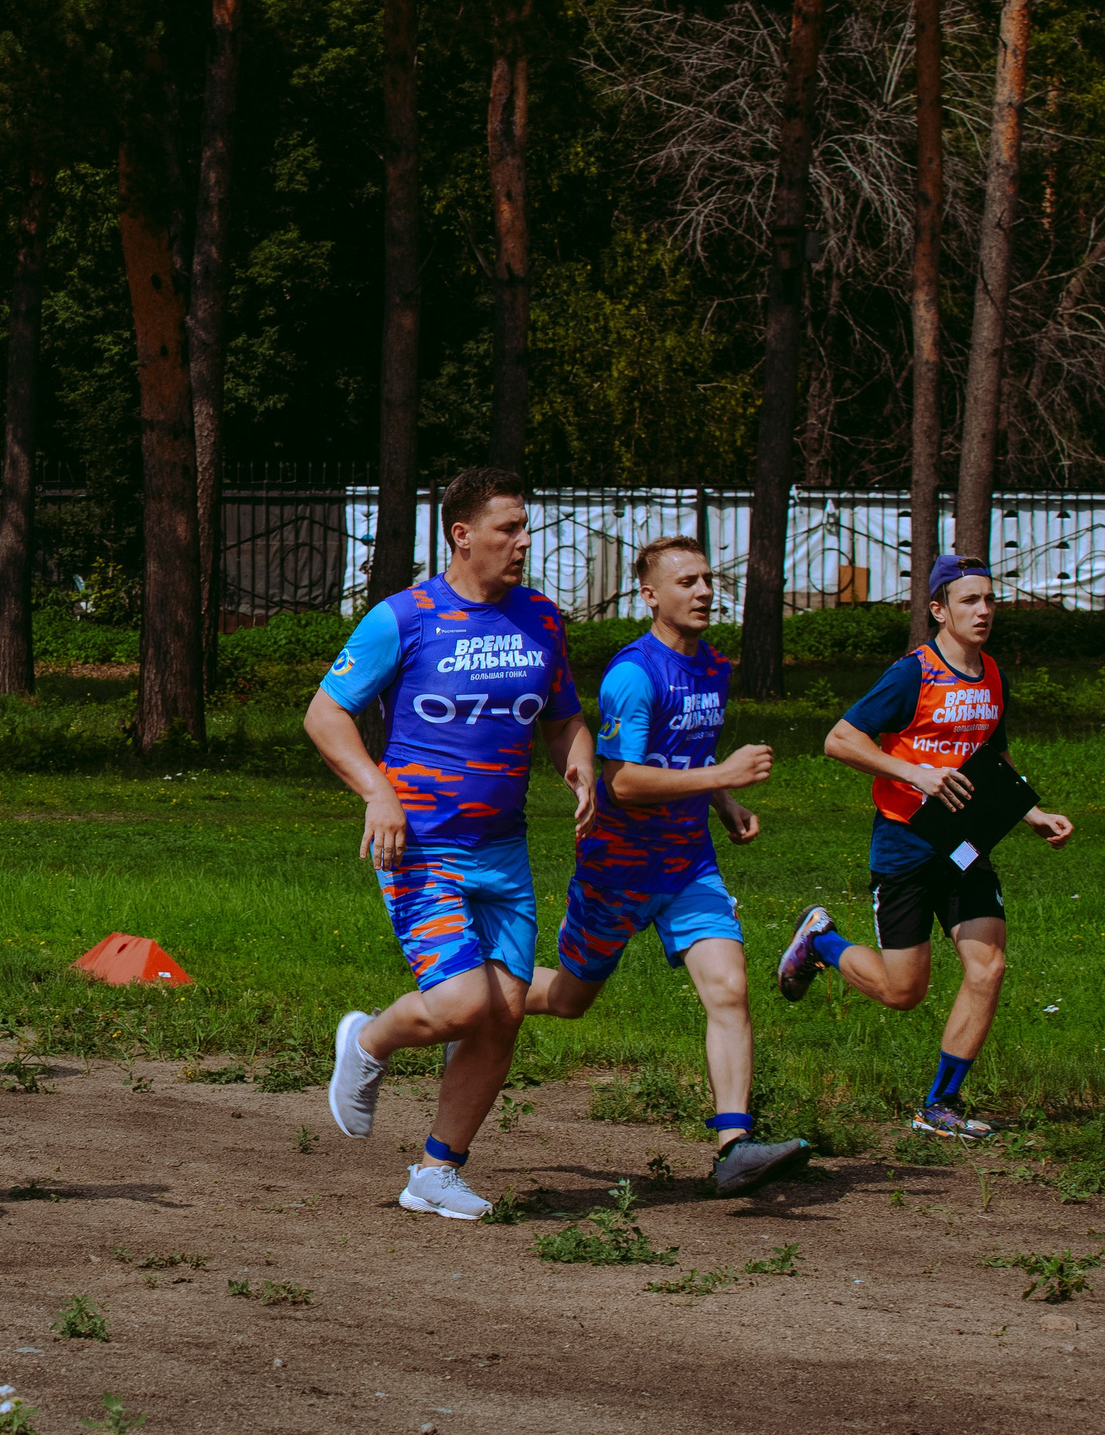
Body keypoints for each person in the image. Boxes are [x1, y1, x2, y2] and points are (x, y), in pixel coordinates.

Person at [307, 467, 594, 1221]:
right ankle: (367, 1040)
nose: (524, 542)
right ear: (462, 535)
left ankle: (436, 1171)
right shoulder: (404, 618)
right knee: (465, 1003)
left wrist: (579, 763)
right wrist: (378, 793)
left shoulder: (542, 620)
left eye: (526, 527)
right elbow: (325, 715)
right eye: (509, 528)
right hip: (421, 845)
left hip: (504, 851)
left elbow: (562, 716)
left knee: (504, 1012)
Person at [522, 537, 811, 1197]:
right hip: (618, 869)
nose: (704, 591)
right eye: (687, 582)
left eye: (707, 578)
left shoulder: (713, 666)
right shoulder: (633, 674)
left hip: (687, 864)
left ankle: (734, 1146)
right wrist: (723, 776)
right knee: (569, 999)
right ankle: (477, 999)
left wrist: (725, 803)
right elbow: (622, 781)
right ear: (650, 595)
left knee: (729, 988)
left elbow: (687, 755)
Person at [777, 554, 1074, 1139]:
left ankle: (940, 1105)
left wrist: (1031, 813)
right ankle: (820, 942)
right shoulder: (913, 674)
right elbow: (839, 739)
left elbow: (993, 758)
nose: (983, 611)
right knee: (903, 991)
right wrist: (916, 774)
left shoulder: (992, 674)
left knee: (988, 966)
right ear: (939, 610)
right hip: (905, 843)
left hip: (965, 844)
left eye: (989, 599)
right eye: (969, 601)